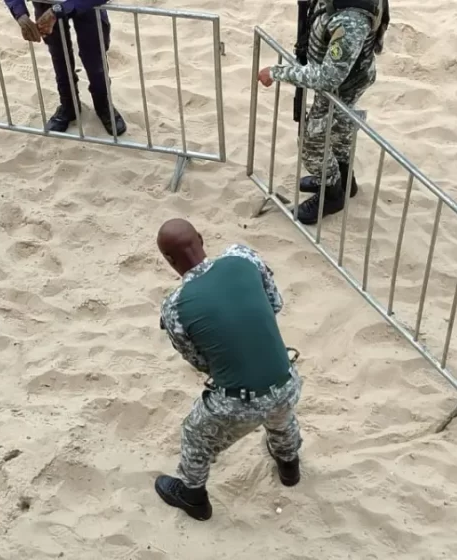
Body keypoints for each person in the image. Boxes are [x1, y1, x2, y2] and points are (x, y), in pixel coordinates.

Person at [154, 218, 303, 521]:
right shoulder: (242, 256)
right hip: (286, 380)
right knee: (280, 414)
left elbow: (197, 360)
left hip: (238, 401)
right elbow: (274, 303)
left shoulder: (174, 306)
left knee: (195, 435)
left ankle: (193, 496)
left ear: (169, 260)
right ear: (201, 238)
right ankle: (289, 465)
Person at [257, 0, 390, 225]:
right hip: (346, 76)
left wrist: (278, 73)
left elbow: (328, 78)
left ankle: (332, 194)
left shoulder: (351, 21)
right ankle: (346, 182)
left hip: (341, 83)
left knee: (312, 144)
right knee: (338, 130)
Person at [4, 0, 127, 136]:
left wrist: (59, 10)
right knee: (58, 55)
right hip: (46, 4)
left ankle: (104, 105)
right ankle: (68, 105)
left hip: (87, 4)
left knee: (94, 56)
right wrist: (19, 12)